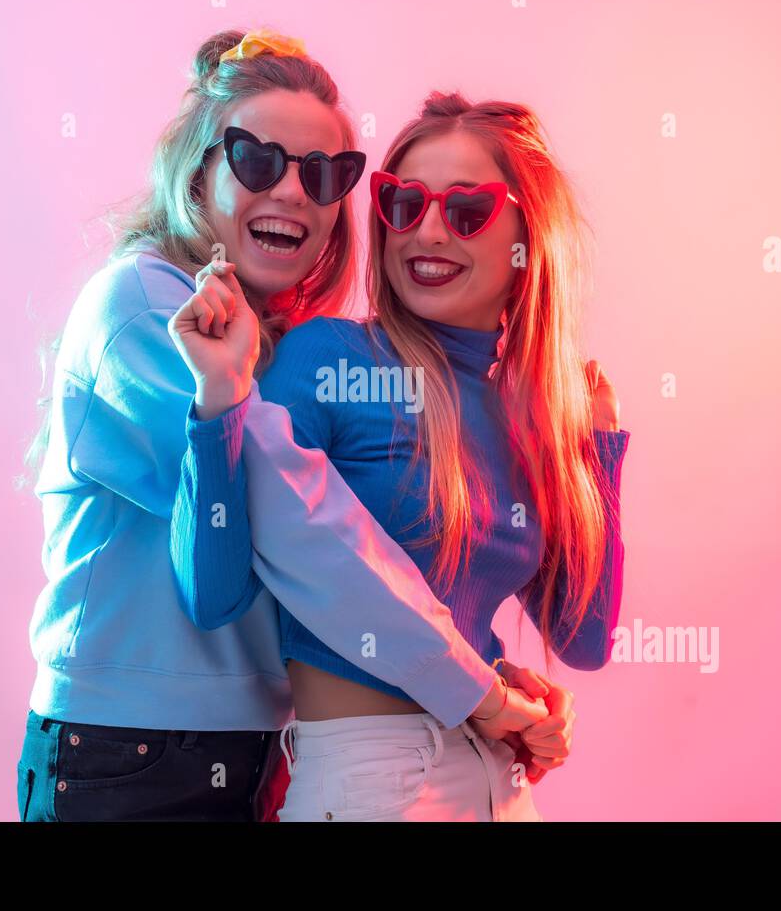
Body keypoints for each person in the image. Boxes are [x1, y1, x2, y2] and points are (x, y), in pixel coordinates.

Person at [15, 31, 549, 822]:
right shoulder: (141, 307)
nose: (294, 192)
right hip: (125, 752)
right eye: (257, 160)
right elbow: (295, 519)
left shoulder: (276, 344)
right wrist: (470, 686)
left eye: (325, 173)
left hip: (260, 749)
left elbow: (361, 561)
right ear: (199, 176)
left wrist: (489, 665)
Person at [170, 91, 630, 820]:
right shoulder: (330, 356)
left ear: (527, 234)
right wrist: (218, 401)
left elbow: (585, 637)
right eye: (402, 204)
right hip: (375, 781)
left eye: (467, 210)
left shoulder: (528, 411)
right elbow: (216, 588)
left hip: (500, 778)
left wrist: (597, 450)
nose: (428, 232)